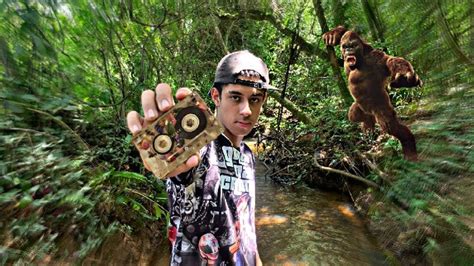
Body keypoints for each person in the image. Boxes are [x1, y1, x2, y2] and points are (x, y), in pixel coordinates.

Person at [127, 50, 272, 265]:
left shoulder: (248, 156)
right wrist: (164, 146)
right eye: (235, 97)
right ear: (216, 96)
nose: (246, 110)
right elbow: (185, 169)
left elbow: (247, 224)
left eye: (255, 99)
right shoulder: (202, 149)